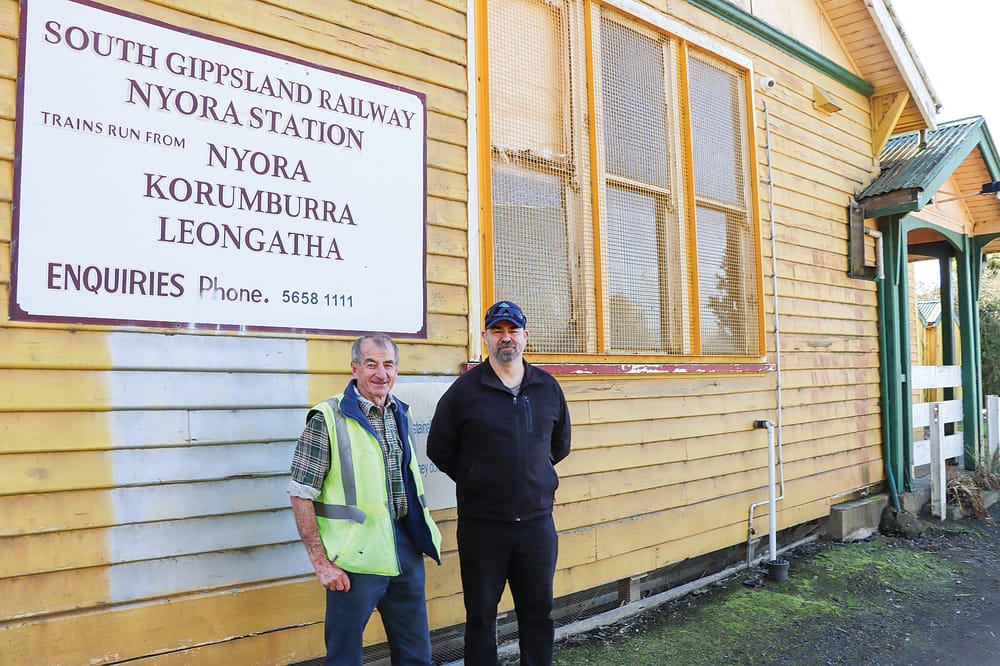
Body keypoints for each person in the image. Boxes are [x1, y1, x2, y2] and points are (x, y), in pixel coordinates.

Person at [427, 301, 572, 666]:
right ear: (485, 338)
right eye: (497, 331)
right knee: (481, 619)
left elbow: (559, 445)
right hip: (482, 528)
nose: (505, 338)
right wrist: (479, 477)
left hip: (537, 527)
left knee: (538, 615)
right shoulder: (464, 391)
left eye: (512, 331)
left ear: (526, 337)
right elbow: (439, 448)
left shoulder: (547, 388)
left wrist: (530, 474)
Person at [288, 333, 442, 666]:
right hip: (354, 557)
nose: (380, 373)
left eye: (388, 365)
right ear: (355, 367)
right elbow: (301, 492)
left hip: (405, 549)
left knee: (416, 655)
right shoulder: (328, 418)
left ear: (397, 370)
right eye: (371, 364)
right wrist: (320, 562)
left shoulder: (400, 412)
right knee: (344, 658)